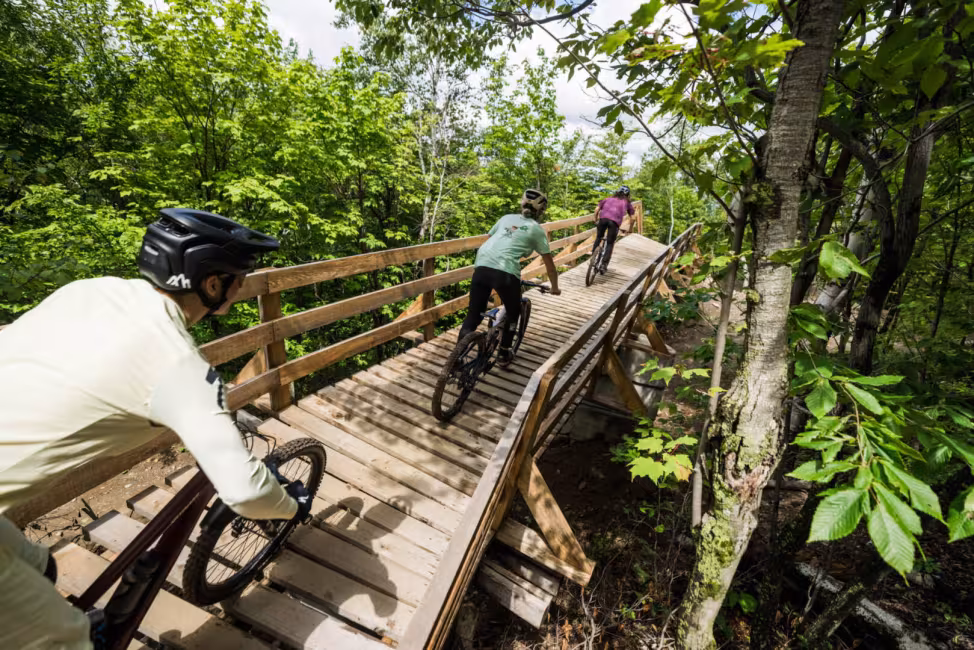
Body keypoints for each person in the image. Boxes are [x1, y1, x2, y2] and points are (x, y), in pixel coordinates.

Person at [0, 208, 311, 649]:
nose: (241, 288)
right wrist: (289, 507)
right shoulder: (177, 365)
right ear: (211, 283)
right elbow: (246, 492)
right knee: (68, 643)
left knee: (39, 566)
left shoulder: (91, 290)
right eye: (239, 278)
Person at [458, 189, 562, 366]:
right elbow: (550, 266)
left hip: (481, 265)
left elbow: (490, 239)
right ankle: (504, 353)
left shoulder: (506, 218)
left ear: (522, 205)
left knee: (473, 316)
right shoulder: (536, 230)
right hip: (505, 272)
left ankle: (456, 360)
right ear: (541, 211)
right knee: (513, 312)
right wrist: (554, 287)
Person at [591, 185, 634, 273]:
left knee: (599, 237)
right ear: (628, 195)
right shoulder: (627, 203)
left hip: (603, 220)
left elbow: (596, 209)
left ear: (617, 192)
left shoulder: (608, 199)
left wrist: (595, 219)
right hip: (614, 223)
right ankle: (603, 265)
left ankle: (593, 257)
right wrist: (630, 229)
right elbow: (633, 218)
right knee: (610, 243)